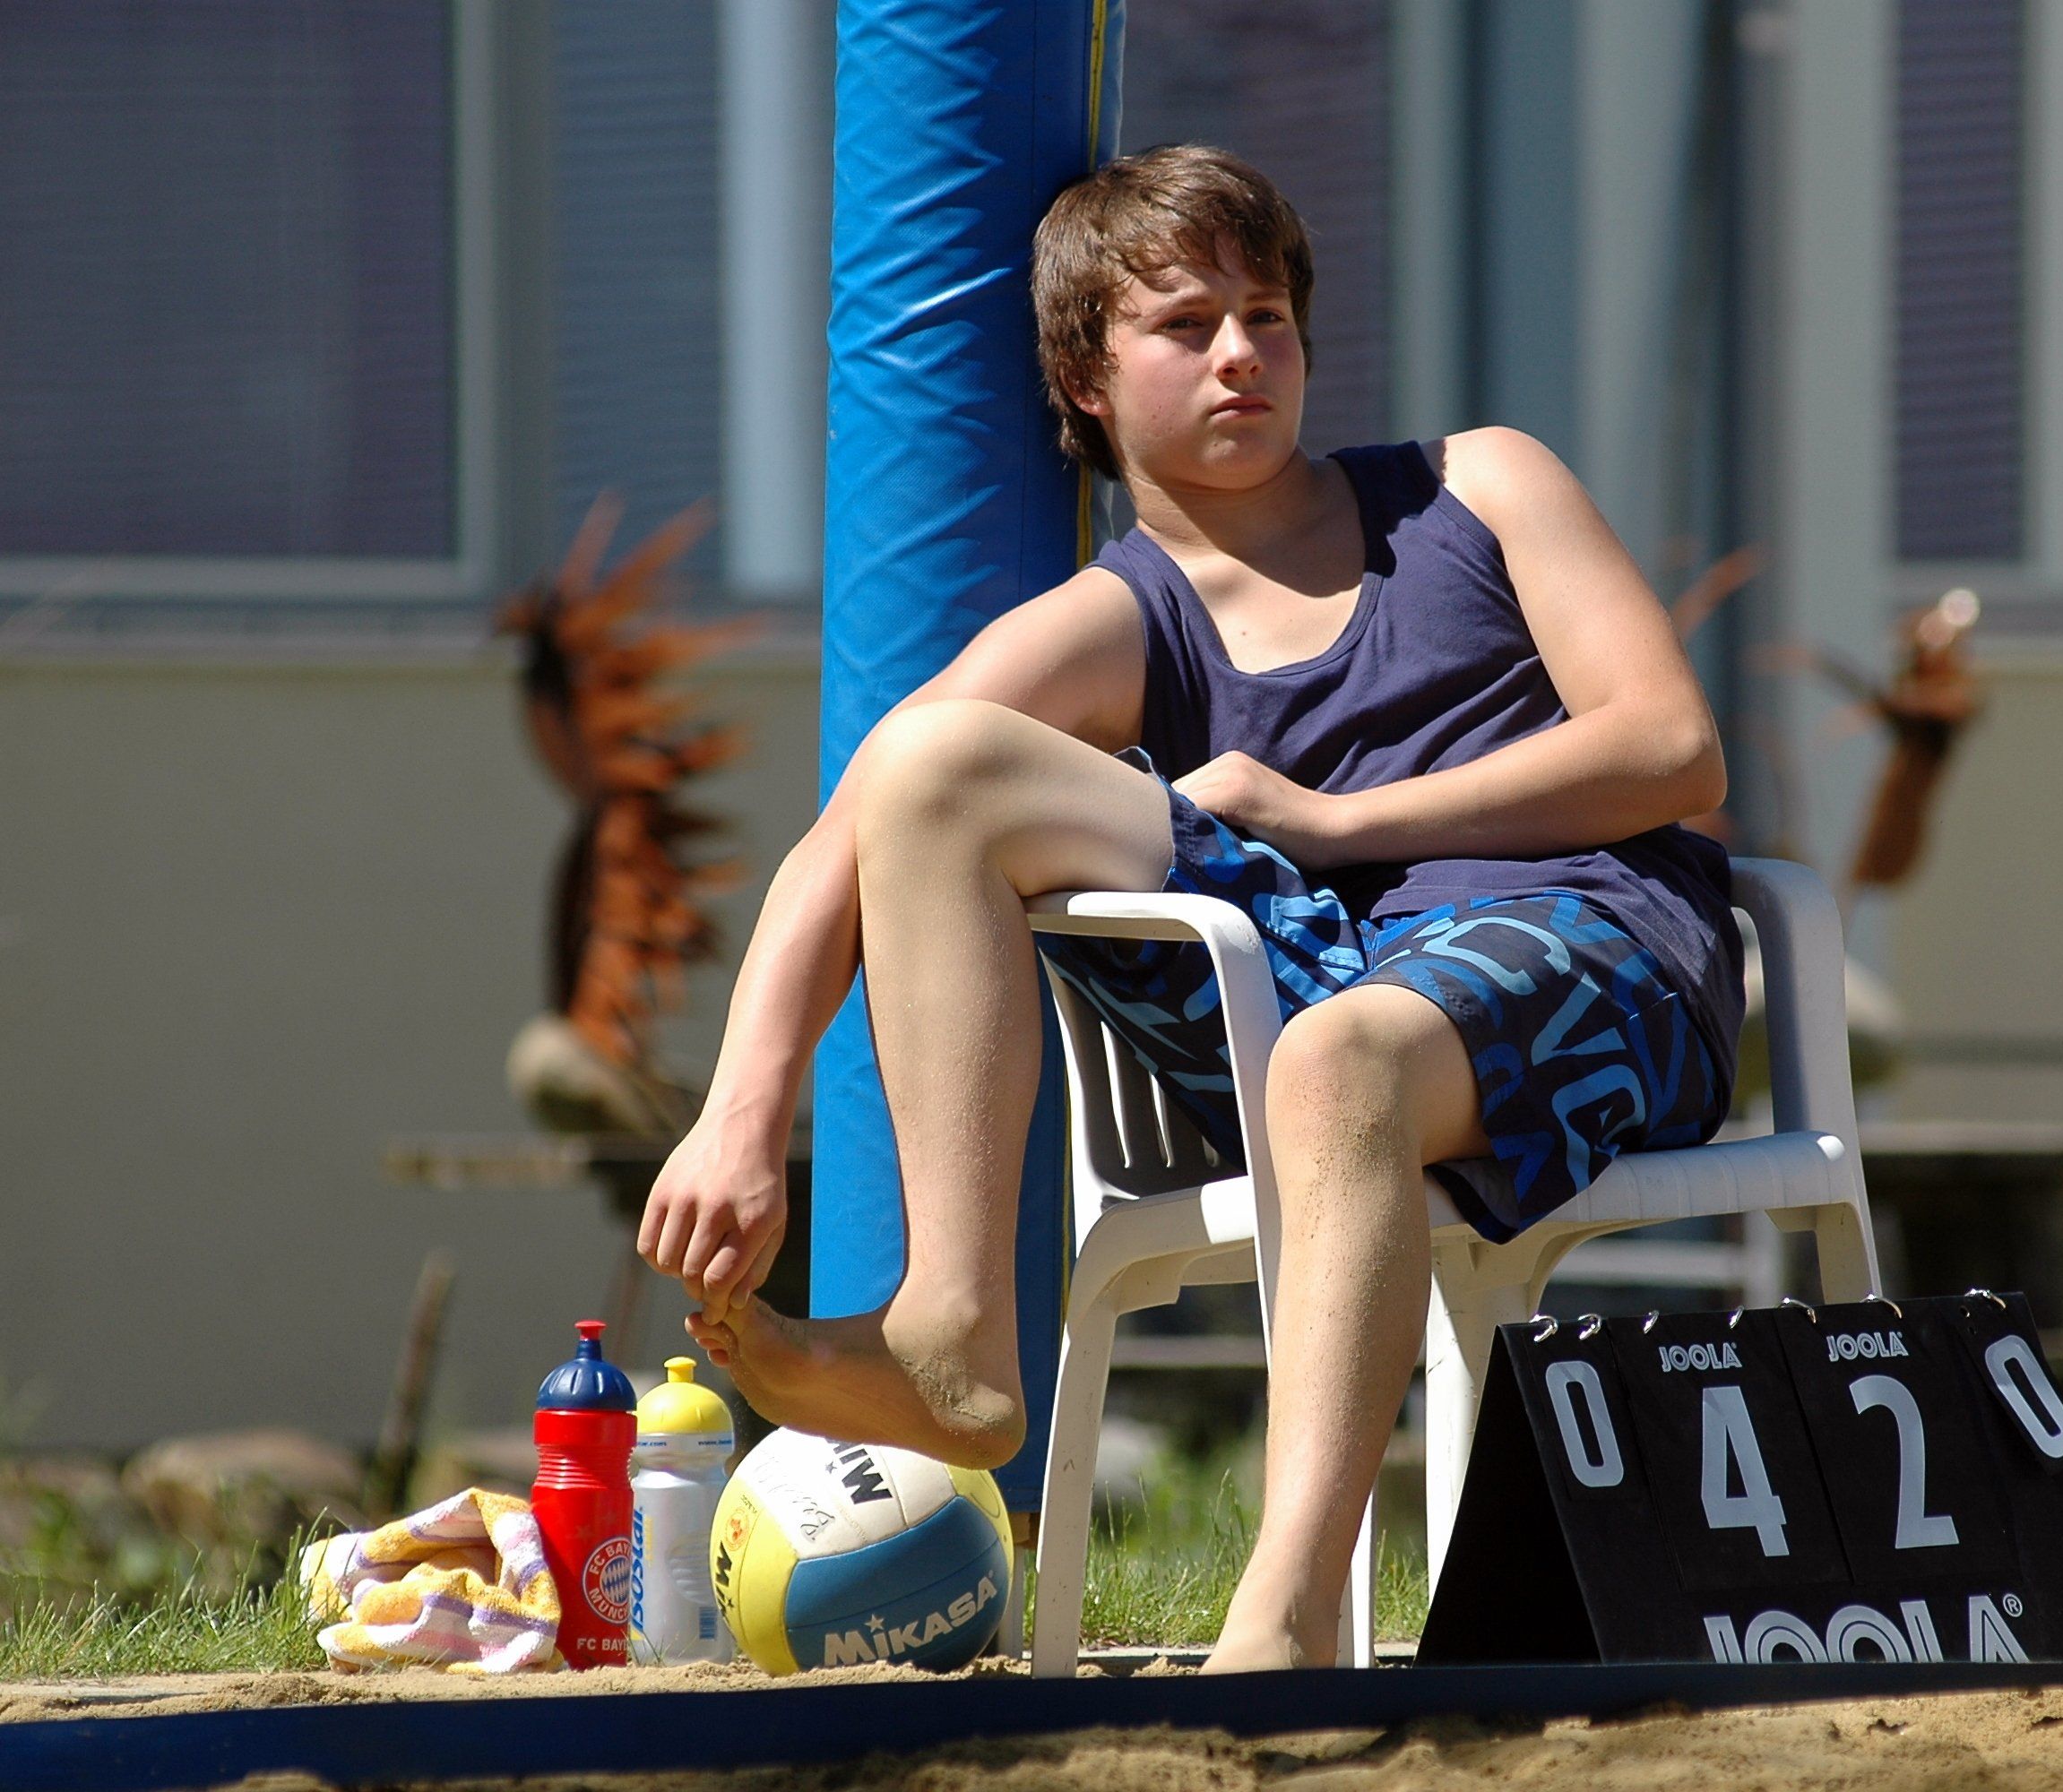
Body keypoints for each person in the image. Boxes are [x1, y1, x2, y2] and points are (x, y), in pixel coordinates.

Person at [636, 143, 1742, 1670]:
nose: (1242, 354)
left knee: (1345, 1055)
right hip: (1324, 984)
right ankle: (953, 1332)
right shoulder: (1118, 621)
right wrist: (741, 1113)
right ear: (1084, 381)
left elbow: (1673, 750)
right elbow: (845, 841)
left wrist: (1335, 819)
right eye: (1184, 324)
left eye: (1266, 316)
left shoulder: (1477, 485)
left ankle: (1284, 1619)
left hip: (1590, 942)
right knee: (930, 765)